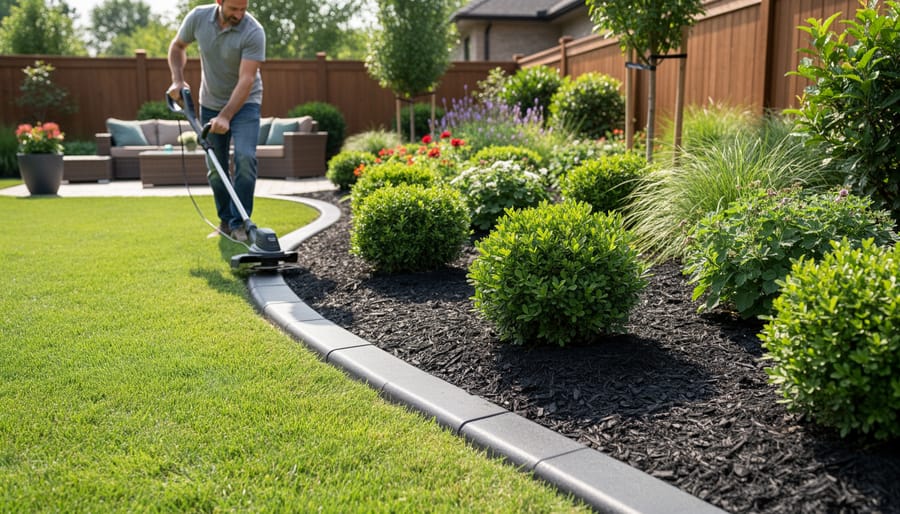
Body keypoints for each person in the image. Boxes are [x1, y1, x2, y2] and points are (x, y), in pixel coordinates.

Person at [167, 0, 266, 242]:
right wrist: (177, 80)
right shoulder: (198, 18)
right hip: (210, 103)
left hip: (246, 103)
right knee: (215, 166)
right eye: (234, 9)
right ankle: (225, 222)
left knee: (245, 157)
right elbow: (177, 46)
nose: (239, 14)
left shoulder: (253, 31)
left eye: (243, 9)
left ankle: (241, 223)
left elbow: (246, 79)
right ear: (219, 2)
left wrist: (227, 115)